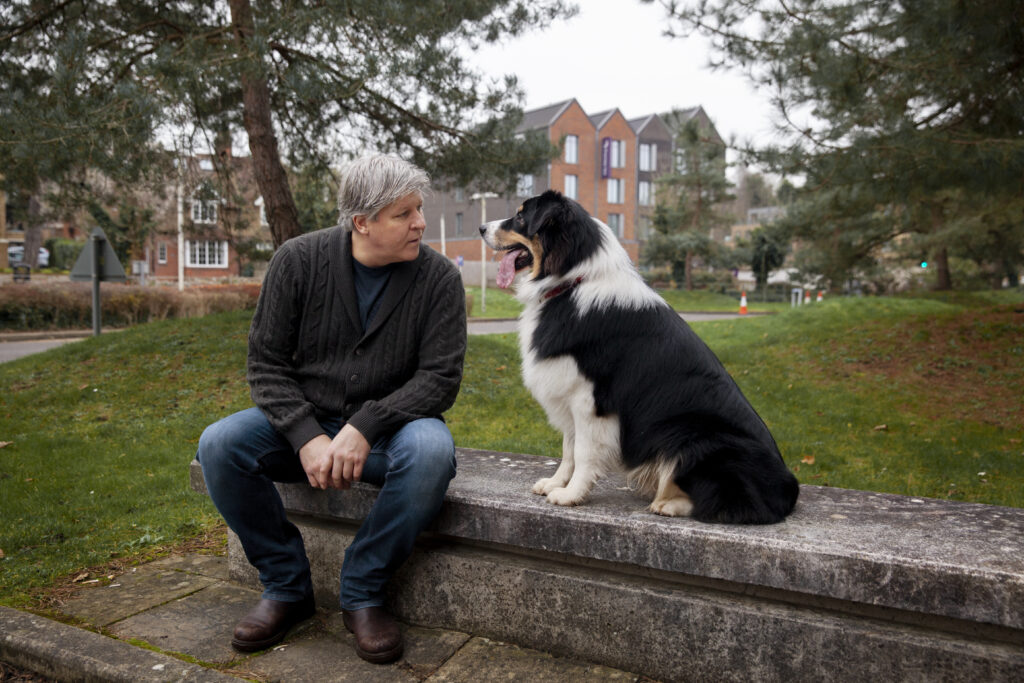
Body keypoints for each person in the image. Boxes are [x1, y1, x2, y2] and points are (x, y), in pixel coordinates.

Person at [196, 154, 467, 664]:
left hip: (392, 431)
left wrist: (366, 425)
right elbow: (266, 364)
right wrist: (306, 435)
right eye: (403, 214)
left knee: (432, 451)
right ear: (361, 222)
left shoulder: (439, 280)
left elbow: (439, 379)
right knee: (220, 444)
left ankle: (362, 591)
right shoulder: (297, 261)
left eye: (419, 209)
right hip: (307, 418)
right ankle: (286, 587)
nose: (420, 223)